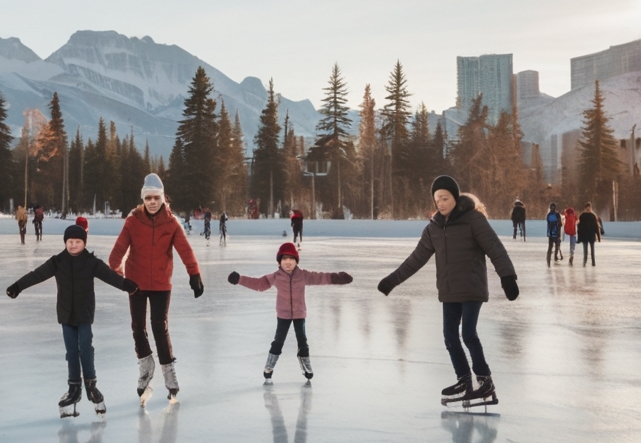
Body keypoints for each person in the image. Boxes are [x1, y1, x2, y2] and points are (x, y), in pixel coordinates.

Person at [377, 176, 517, 408]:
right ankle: (464, 381)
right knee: (450, 337)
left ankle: (485, 381)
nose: (440, 203)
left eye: (445, 198)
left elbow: (495, 248)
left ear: (455, 197)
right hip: (449, 290)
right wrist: (392, 281)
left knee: (468, 333)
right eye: (436, 199)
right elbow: (416, 259)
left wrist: (508, 277)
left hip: (472, 287)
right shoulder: (434, 228)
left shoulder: (474, 220)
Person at [7, 224, 139, 417]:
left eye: (78, 242)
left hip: (84, 314)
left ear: (84, 243)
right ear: (65, 242)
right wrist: (18, 286)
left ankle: (91, 386)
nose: (74, 245)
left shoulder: (91, 262)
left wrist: (125, 284)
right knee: (71, 352)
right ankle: (74, 388)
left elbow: (109, 276)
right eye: (70, 242)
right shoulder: (57, 261)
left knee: (85, 348)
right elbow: (37, 274)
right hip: (66, 314)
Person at [109, 173, 202, 406]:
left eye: (156, 198)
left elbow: (185, 250)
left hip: (161, 284)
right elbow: (117, 252)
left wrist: (194, 273)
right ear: (143, 198)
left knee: (159, 327)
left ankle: (169, 374)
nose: (152, 202)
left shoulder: (171, 223)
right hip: (136, 283)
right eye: (148, 198)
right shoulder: (133, 221)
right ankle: (145, 364)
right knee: (138, 328)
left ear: (163, 198)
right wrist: (119, 276)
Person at [227, 242, 352, 380]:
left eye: (291, 258)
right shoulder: (275, 277)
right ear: (279, 261)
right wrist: (239, 279)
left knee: (303, 342)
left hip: (299, 314)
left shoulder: (303, 275)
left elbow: (320, 277)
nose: (288, 262)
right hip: (283, 315)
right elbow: (259, 284)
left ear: (296, 261)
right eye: (284, 259)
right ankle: (269, 366)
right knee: (278, 342)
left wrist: (337, 278)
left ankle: (305, 363)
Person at [577, 202, 604, 267]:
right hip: (584, 235)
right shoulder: (582, 216)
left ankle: (593, 262)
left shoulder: (593, 216)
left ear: (591, 208)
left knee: (592, 250)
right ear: (585, 208)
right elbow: (580, 227)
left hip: (591, 235)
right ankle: (584, 261)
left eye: (589, 207)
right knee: (585, 250)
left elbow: (596, 227)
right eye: (587, 207)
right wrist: (579, 238)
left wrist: (598, 236)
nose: (588, 209)